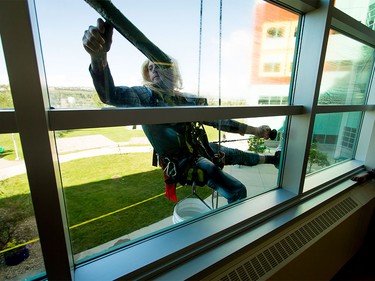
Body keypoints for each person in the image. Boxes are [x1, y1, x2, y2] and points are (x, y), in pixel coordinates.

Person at [82, 18, 281, 204]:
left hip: (199, 148)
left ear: (173, 73)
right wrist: (98, 58)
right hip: (183, 163)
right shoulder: (147, 97)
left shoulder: (188, 100)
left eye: (161, 66)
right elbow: (111, 95)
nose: (155, 71)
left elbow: (220, 121)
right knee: (237, 191)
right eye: (151, 68)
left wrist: (256, 131)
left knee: (235, 154)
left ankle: (273, 159)